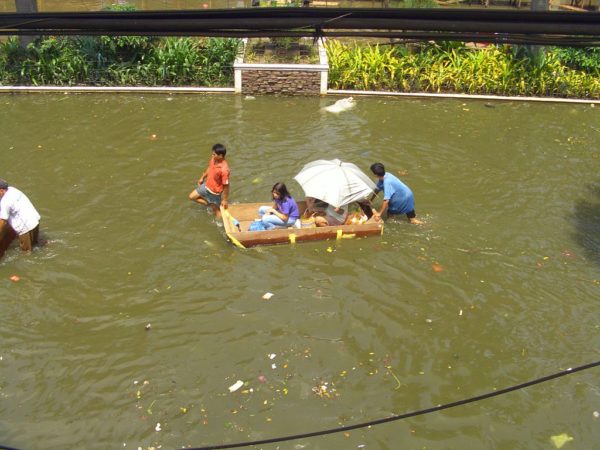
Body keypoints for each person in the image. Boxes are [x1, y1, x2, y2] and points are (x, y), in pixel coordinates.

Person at [0, 179, 41, 259]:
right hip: (35, 219)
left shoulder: (5, 202)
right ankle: (47, 244)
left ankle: (29, 266)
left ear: (1, 191)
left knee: (26, 253)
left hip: (25, 229)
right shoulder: (12, 190)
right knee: (36, 244)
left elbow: (3, 222)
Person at [188, 143, 230, 219]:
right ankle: (211, 204)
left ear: (220, 156)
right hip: (206, 185)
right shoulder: (214, 159)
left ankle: (221, 224)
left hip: (214, 192)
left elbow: (226, 186)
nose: (212, 156)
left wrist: (225, 200)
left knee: (217, 212)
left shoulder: (224, 170)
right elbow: (209, 168)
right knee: (192, 197)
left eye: (214, 154)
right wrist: (202, 178)